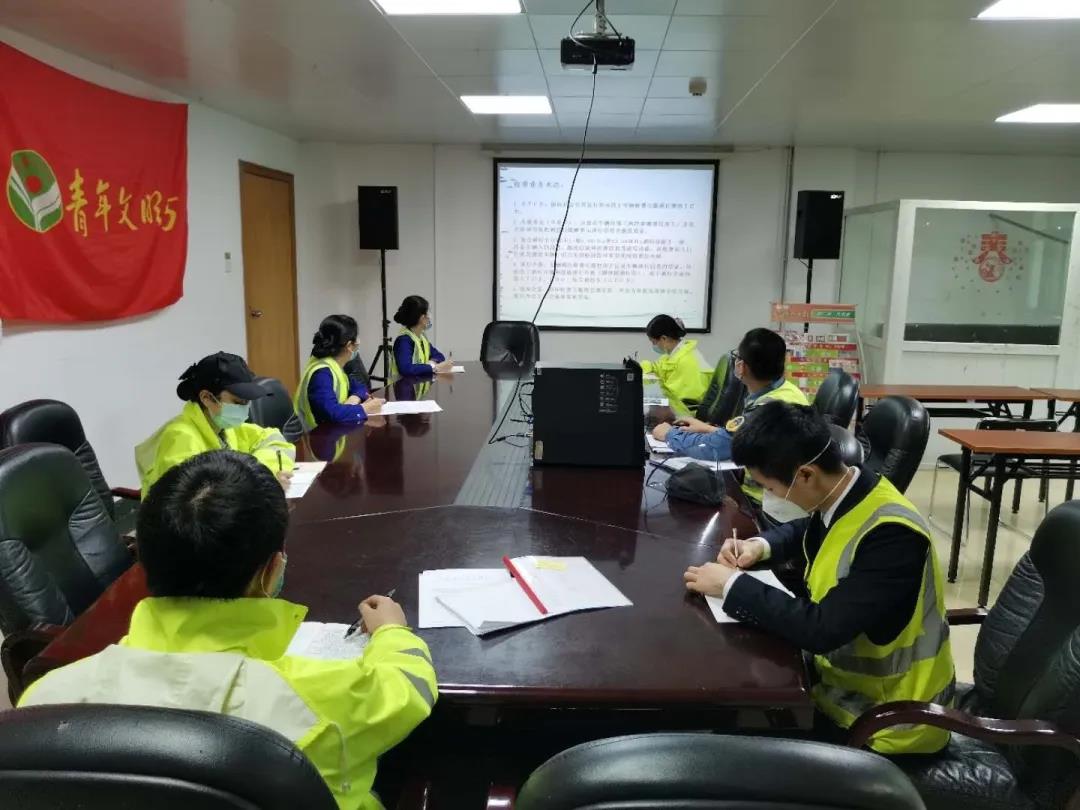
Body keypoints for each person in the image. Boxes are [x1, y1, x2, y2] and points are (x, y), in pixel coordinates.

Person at [20, 450, 437, 810]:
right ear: (271, 570)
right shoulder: (315, 699)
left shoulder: (43, 705)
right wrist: (392, 633)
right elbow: (408, 687)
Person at [682, 402, 955, 756]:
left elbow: (822, 630)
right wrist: (759, 546)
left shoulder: (892, 537)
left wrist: (730, 585)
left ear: (806, 475)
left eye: (770, 487)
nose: (771, 496)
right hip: (839, 691)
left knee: (723, 739)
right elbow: (809, 528)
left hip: (887, 724)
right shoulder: (849, 490)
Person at [135, 352, 296, 495]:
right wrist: (258, 484)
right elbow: (193, 501)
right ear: (206, 398)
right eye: (238, 402)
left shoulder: (225, 428)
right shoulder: (180, 438)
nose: (245, 408)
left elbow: (275, 440)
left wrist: (264, 473)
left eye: (247, 402)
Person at [651, 327, 808, 465]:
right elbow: (743, 436)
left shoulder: (768, 406)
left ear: (741, 366)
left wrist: (670, 434)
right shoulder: (785, 391)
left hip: (761, 488)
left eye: (737, 356)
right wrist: (709, 429)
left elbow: (716, 447)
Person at [295, 314, 385, 430]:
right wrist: (365, 408)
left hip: (331, 432)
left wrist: (354, 398)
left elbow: (361, 387)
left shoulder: (335, 365)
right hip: (312, 436)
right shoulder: (322, 373)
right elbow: (332, 413)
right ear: (349, 346)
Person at [638, 314, 712, 405]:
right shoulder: (674, 354)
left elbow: (678, 400)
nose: (654, 346)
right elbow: (657, 368)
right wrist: (640, 368)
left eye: (654, 342)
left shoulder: (687, 361)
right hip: (675, 405)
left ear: (664, 338)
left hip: (687, 410)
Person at [392, 295, 452, 376]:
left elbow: (439, 356)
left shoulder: (421, 338)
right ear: (422, 318)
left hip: (419, 382)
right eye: (428, 313)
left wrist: (432, 362)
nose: (429, 317)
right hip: (404, 383)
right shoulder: (404, 340)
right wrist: (433, 367)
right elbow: (406, 369)